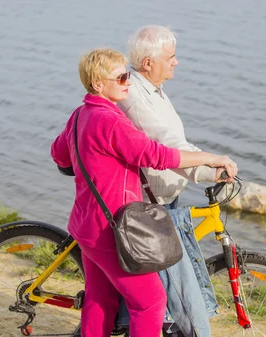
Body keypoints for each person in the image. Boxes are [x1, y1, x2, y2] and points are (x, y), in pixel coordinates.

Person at [50, 48, 237, 337]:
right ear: (99, 84)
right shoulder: (111, 122)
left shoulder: (80, 115)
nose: (129, 81)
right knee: (150, 303)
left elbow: (60, 155)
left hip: (86, 226)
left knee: (101, 300)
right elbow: (157, 156)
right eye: (122, 76)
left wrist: (91, 161)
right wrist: (209, 158)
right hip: (112, 230)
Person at [118, 25, 223, 210]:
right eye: (170, 58)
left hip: (165, 197)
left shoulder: (154, 90)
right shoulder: (133, 96)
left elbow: (176, 139)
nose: (176, 62)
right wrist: (210, 170)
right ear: (148, 63)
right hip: (149, 203)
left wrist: (209, 163)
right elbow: (165, 143)